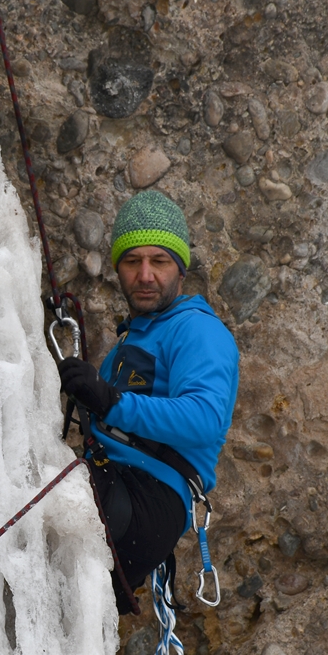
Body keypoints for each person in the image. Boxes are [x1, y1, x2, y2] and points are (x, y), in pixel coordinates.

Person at [58, 190, 239, 619]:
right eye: (132, 261)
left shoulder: (197, 331)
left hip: (148, 497)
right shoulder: (135, 337)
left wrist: (109, 400)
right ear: (117, 269)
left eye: (159, 261)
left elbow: (205, 418)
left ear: (180, 268)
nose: (145, 274)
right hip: (122, 485)